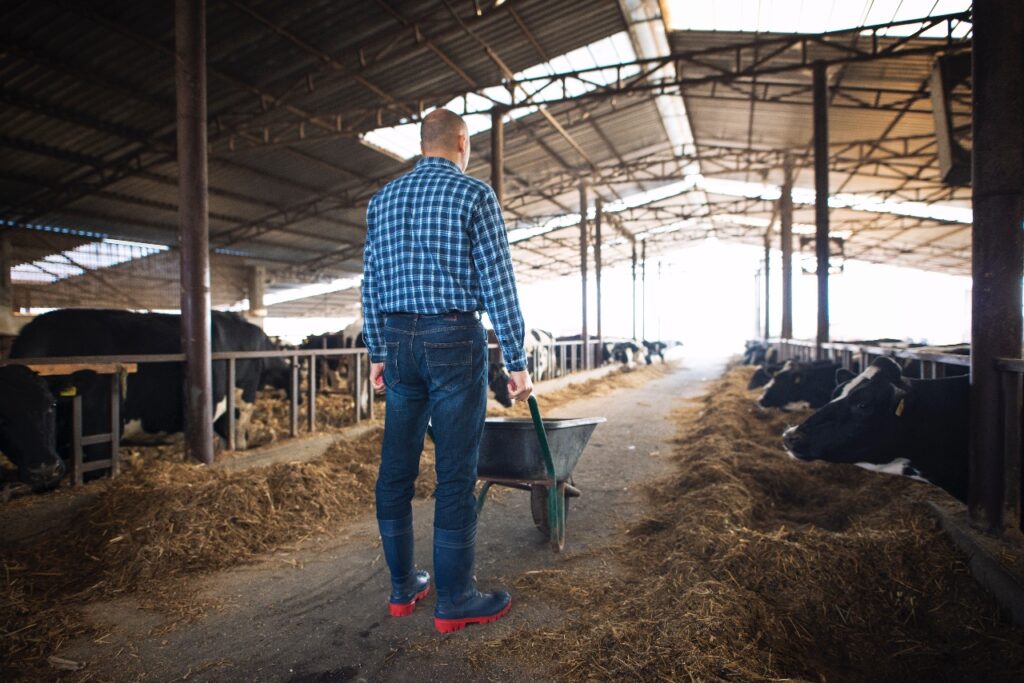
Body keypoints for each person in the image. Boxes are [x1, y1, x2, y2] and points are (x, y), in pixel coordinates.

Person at [361, 108, 533, 633]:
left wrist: (376, 351)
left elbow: (369, 281)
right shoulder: (474, 195)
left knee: (396, 469)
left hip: (399, 341)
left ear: (421, 143)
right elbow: (498, 279)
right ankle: (455, 599)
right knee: (455, 472)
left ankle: (402, 588)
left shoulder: (382, 200)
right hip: (455, 340)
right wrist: (517, 360)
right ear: (462, 142)